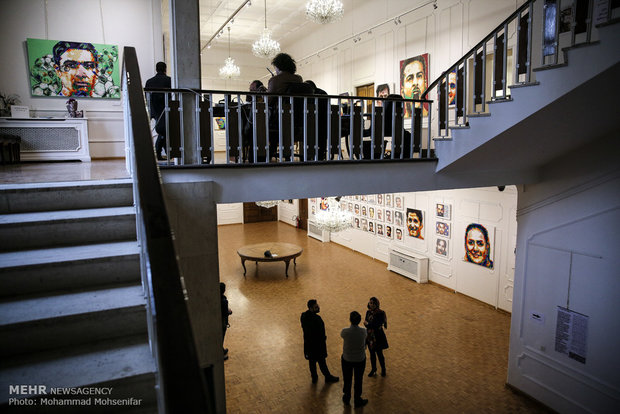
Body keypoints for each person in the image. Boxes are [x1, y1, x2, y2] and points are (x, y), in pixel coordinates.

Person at [300, 299, 339, 384]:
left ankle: (314, 377)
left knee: (312, 362)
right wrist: (323, 339)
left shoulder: (303, 316)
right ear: (311, 308)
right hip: (318, 346)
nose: (318, 308)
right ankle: (327, 377)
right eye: (316, 307)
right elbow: (321, 334)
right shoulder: (317, 319)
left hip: (308, 345)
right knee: (322, 362)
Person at [340, 311, 368, 407]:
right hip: (360, 359)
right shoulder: (364, 331)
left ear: (350, 320)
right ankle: (357, 399)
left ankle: (347, 396)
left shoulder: (345, 331)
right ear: (359, 321)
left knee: (347, 378)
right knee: (358, 379)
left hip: (347, 359)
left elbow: (342, 335)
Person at [145, 61, 172, 160]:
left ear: (156, 69)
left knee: (162, 130)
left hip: (155, 110)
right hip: (167, 109)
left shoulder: (149, 81)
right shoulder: (169, 80)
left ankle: (162, 152)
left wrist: (150, 111)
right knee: (164, 130)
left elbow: (147, 98)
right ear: (165, 69)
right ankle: (162, 152)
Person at [364, 297, 388, 378]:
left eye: (373, 303)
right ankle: (373, 369)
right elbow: (367, 321)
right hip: (370, 336)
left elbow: (376, 324)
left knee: (379, 354)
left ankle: (383, 369)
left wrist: (368, 325)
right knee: (372, 354)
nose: (372, 304)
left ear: (376, 304)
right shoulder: (368, 312)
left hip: (378, 337)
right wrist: (368, 325)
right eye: (371, 303)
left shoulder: (380, 313)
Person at [220, 282, 233, 360]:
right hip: (222, 321)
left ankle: (221, 350)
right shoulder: (224, 301)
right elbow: (225, 312)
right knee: (221, 337)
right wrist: (229, 312)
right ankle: (220, 353)